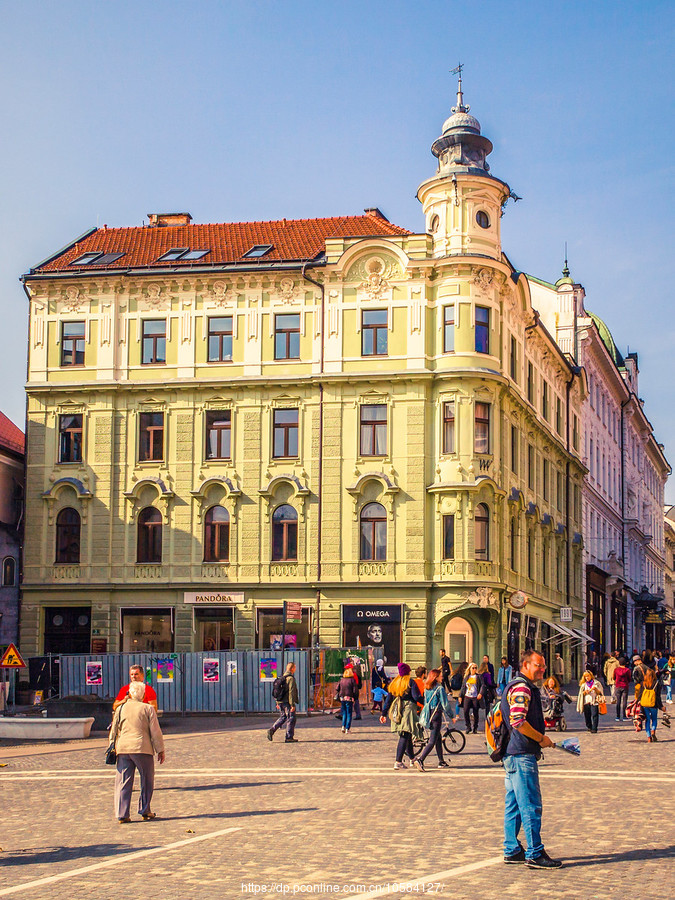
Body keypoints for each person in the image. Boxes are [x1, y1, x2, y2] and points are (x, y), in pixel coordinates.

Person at [502, 649, 562, 869]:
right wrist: (541, 738)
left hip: (512, 752)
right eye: (538, 665)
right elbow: (518, 720)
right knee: (530, 805)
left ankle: (512, 849)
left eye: (543, 665)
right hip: (521, 753)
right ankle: (535, 853)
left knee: (514, 804)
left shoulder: (519, 685)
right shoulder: (522, 688)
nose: (543, 669)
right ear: (525, 665)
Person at [113, 680, 165, 823]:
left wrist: (112, 746)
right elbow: (155, 732)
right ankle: (145, 810)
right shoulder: (147, 709)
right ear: (143, 695)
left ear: (129, 694)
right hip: (142, 748)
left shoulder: (120, 708)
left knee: (123, 781)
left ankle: (122, 814)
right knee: (147, 779)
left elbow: (114, 729)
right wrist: (160, 750)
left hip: (123, 748)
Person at [412, 668, 458, 771]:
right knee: (432, 740)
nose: (442, 677)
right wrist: (452, 716)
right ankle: (420, 760)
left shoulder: (427, 687)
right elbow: (445, 704)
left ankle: (441, 761)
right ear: (436, 677)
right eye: (440, 675)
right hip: (436, 715)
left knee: (438, 738)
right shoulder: (440, 688)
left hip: (429, 714)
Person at [380, 663, 423, 770]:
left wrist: (383, 714)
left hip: (397, 710)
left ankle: (412, 759)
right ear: (408, 672)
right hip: (408, 710)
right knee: (404, 735)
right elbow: (416, 696)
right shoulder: (410, 682)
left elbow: (388, 700)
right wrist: (425, 702)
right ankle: (398, 761)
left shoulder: (394, 683)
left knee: (407, 735)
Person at [267, 662, 299, 743]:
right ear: (292, 669)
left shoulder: (282, 678)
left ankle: (272, 730)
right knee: (291, 718)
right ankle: (289, 737)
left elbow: (277, 691)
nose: (295, 669)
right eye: (294, 667)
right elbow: (291, 692)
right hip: (287, 702)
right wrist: (292, 705)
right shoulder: (290, 678)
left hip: (280, 701)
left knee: (283, 717)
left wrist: (277, 702)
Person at [640, 667, 663, 742]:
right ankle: (653, 730)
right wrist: (661, 706)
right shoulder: (657, 683)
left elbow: (640, 694)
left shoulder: (643, 683)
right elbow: (658, 696)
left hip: (645, 704)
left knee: (647, 720)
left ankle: (649, 737)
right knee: (654, 719)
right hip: (654, 704)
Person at [459, 662, 483, 734]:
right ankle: (468, 726)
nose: (474, 669)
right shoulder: (467, 677)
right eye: (473, 668)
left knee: (475, 712)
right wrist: (460, 696)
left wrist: (480, 693)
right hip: (467, 696)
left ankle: (475, 727)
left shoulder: (478, 676)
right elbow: (463, 687)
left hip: (475, 697)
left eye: (476, 668)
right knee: (466, 711)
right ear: (470, 668)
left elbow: (483, 685)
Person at [336, 667, 358, 734]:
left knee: (344, 712)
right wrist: (355, 698)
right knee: (349, 713)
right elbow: (355, 691)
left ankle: (343, 726)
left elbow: (337, 688)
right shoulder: (352, 680)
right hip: (349, 698)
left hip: (342, 697)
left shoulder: (341, 680)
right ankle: (347, 728)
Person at [613, 656, 631, 722]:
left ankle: (617, 716)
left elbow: (613, 677)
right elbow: (629, 678)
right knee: (624, 701)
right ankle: (624, 716)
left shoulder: (616, 670)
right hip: (625, 686)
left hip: (618, 686)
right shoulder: (627, 670)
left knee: (618, 701)